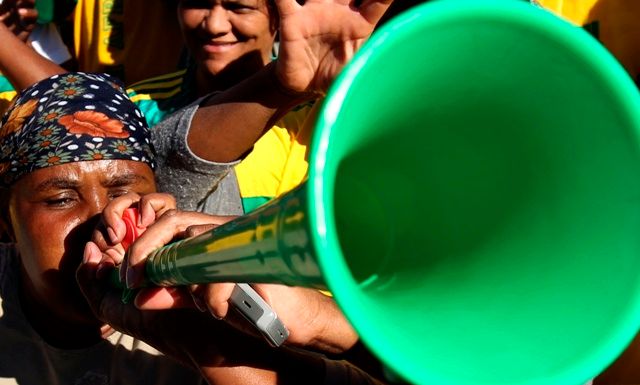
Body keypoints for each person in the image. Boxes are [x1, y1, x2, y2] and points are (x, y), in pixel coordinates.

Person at [0, 72, 388, 384]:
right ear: (6, 221)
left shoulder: (204, 315)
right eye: (61, 199)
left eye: (123, 190)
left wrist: (206, 347)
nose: (104, 219)